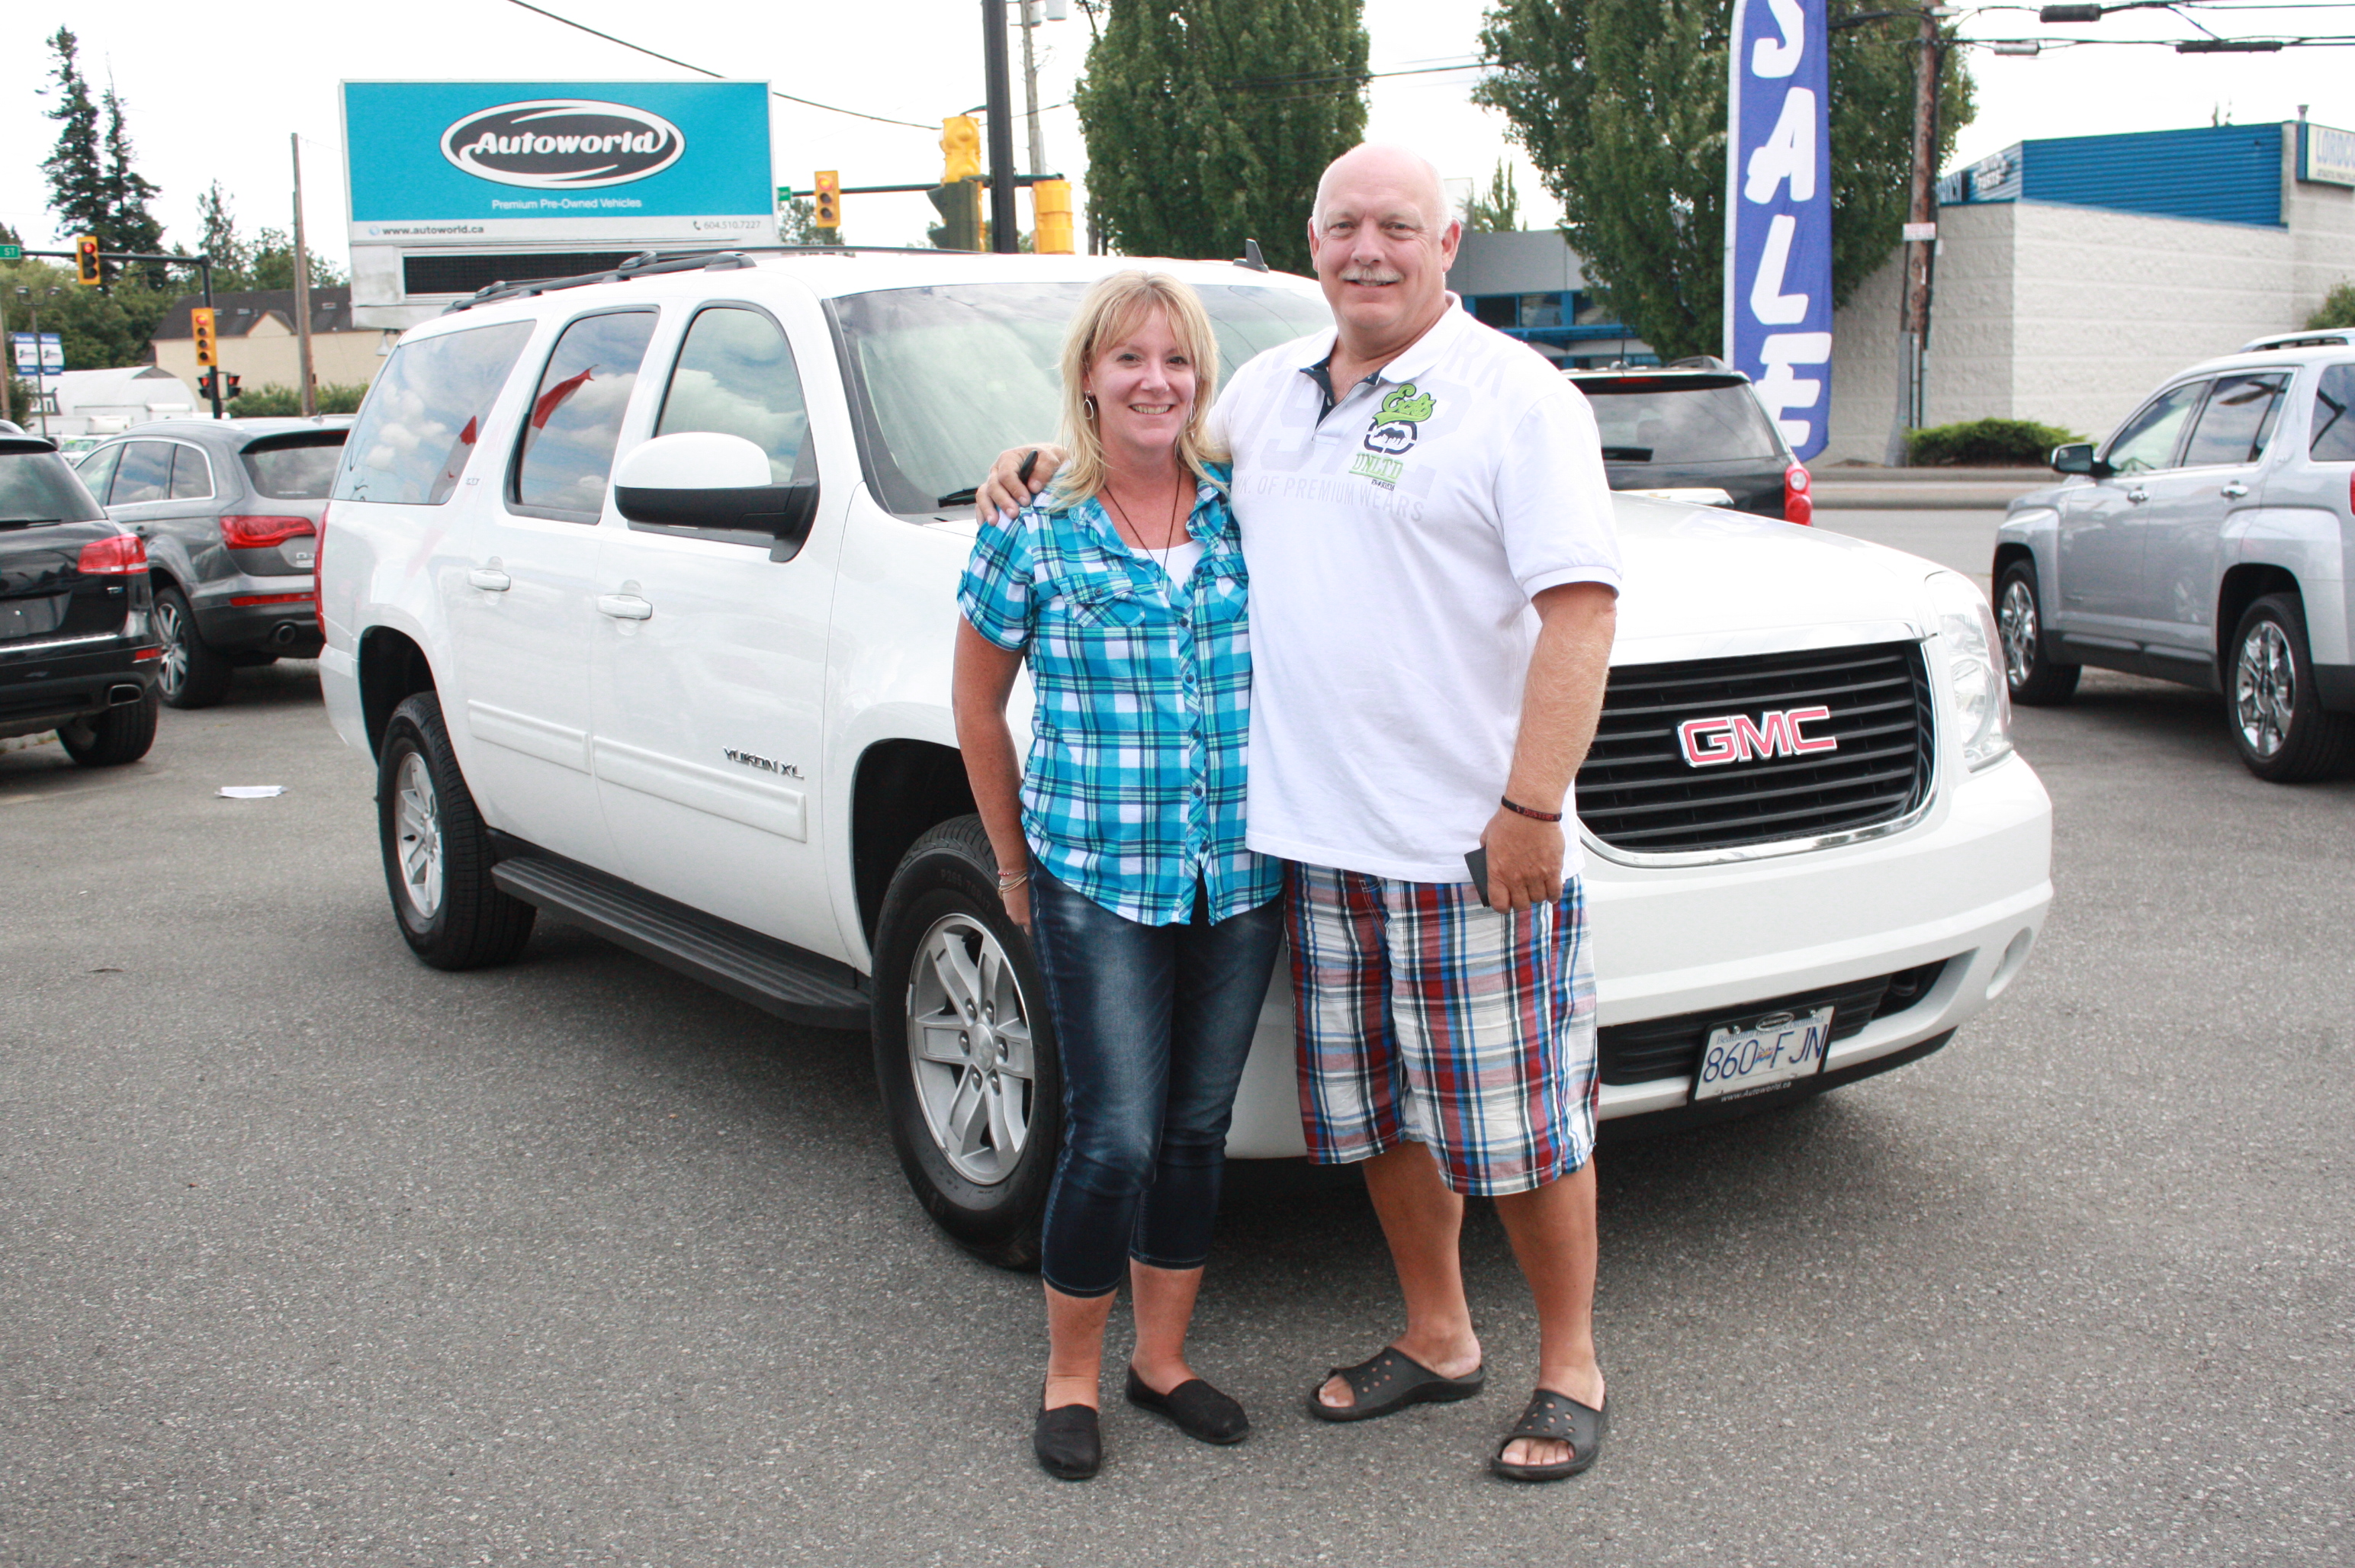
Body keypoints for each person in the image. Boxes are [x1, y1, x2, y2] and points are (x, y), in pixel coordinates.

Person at [977, 144, 1622, 1482]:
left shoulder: (1519, 396)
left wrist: (1530, 804)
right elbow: (1145, 434)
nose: (1369, 248)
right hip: (1310, 847)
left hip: (1465, 842)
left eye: (1399, 225)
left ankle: (1570, 1366)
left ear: (1448, 242)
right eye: (1345, 225)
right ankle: (1440, 1336)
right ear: (1314, 240)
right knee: (1382, 1115)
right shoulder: (1269, 394)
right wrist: (1037, 454)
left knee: (1524, 1124)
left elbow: (1581, 612)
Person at [953, 270, 1287, 1482]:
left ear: (1201, 379)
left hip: (1238, 873)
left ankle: (1163, 1360)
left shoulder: (1250, 511)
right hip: (1096, 874)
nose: (1156, 381)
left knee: (1196, 1131)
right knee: (1114, 1139)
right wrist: (1010, 864)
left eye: (1177, 360)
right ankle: (1069, 1377)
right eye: (1130, 359)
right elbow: (977, 707)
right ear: (1088, 377)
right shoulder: (1032, 522)